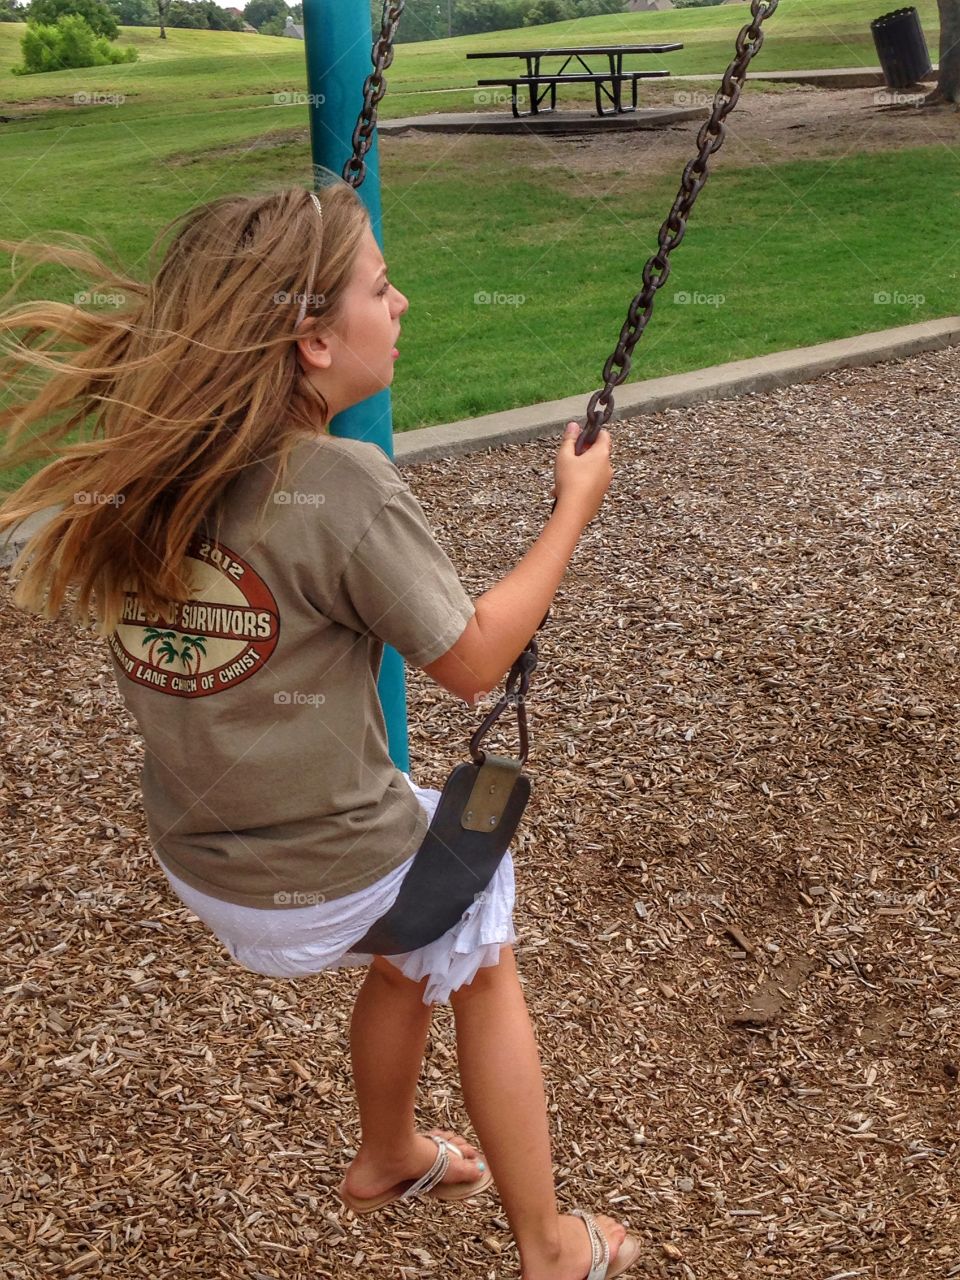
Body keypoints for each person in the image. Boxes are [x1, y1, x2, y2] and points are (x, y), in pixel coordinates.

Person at [0, 183, 639, 1280]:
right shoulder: (339, 485)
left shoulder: (145, 470)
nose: (403, 302)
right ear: (310, 342)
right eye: (381, 287)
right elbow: (472, 657)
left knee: (420, 925)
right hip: (328, 874)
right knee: (478, 922)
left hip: (203, 864)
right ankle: (550, 1243)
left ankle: (390, 1151)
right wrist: (572, 506)